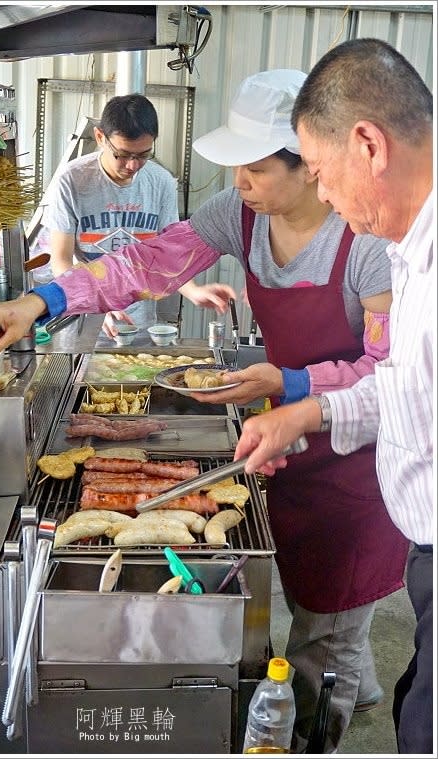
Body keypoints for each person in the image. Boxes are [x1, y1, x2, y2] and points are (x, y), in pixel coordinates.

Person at [0, 69, 411, 753]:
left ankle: (320, 723)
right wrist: (43, 302)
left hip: (355, 470)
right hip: (281, 441)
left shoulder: (372, 246)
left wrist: (295, 383)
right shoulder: (242, 216)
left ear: (309, 163)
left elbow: (392, 376)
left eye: (255, 167)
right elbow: (145, 264)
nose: (237, 181)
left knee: (324, 636)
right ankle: (346, 674)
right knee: (310, 613)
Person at [232, 41, 434, 756]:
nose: (325, 197)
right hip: (403, 523)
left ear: (367, 145)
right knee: (378, 667)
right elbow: (398, 383)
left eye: (319, 173)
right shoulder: (409, 247)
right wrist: (301, 410)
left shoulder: (386, 250)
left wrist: (296, 396)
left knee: (348, 652)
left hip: (388, 505)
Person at [39, 92, 234, 335]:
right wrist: (94, 303)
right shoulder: (71, 180)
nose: (132, 166)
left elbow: (171, 256)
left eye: (143, 155)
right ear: (100, 137)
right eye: (122, 155)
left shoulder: (161, 181)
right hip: (84, 321)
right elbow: (61, 259)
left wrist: (193, 290)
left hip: (139, 325)